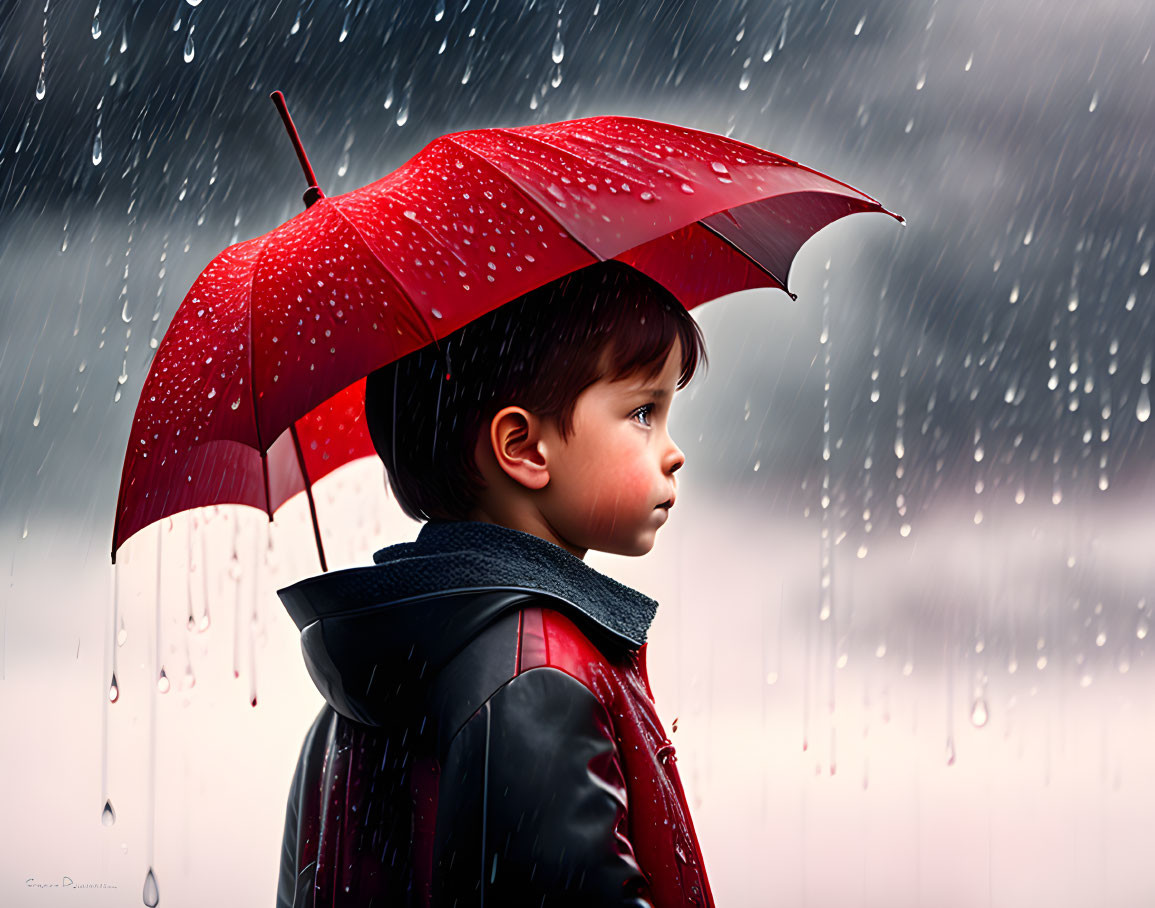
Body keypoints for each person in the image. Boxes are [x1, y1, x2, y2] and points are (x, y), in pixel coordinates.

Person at [275, 260, 715, 907]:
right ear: (524, 447)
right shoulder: (538, 675)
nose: (673, 452)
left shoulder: (349, 706)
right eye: (643, 412)